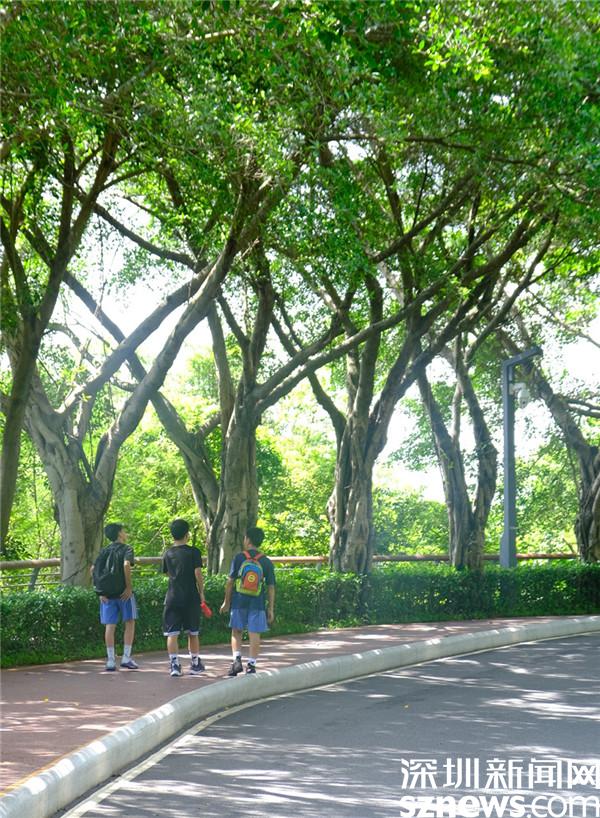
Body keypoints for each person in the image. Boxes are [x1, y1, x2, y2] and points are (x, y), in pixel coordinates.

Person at [220, 526, 276, 676]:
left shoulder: (239, 558)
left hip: (239, 600)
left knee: (236, 631)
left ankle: (236, 661)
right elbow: (271, 587)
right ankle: (251, 665)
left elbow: (230, 582)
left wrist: (226, 602)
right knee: (254, 633)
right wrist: (270, 608)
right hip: (257, 602)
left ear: (248, 539)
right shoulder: (266, 561)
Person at [162, 518, 207, 677]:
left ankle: (174, 664)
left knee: (172, 633)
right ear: (187, 534)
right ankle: (195, 663)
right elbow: (198, 573)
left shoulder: (167, 553)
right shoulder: (194, 552)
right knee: (193, 632)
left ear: (172, 535)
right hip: (191, 596)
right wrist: (201, 592)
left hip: (173, 596)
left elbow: (167, 573)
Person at [94, 522, 138, 672]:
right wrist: (129, 587)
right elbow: (126, 565)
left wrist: (100, 591)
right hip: (124, 593)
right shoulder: (127, 549)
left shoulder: (104, 551)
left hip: (107, 594)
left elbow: (93, 569)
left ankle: (111, 660)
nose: (126, 533)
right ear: (119, 533)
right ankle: (126, 657)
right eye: (124, 531)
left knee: (110, 626)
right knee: (130, 622)